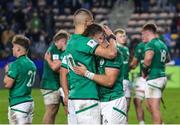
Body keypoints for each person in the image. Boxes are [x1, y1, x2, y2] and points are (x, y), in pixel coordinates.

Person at [60, 8, 117, 124]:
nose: (93, 25)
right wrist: (112, 37)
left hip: (74, 97)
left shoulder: (70, 42)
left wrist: (66, 94)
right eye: (92, 22)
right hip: (86, 96)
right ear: (87, 22)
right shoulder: (84, 42)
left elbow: (63, 71)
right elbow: (111, 54)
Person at [73, 23, 127, 124]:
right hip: (100, 101)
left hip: (113, 101)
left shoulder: (115, 54)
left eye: (90, 41)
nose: (88, 44)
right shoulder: (96, 55)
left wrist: (86, 73)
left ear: (101, 38)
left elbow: (109, 81)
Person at [3, 35, 37, 124]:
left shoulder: (16, 64)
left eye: (13, 47)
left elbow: (7, 84)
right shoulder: (32, 64)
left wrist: (7, 71)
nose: (12, 49)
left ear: (18, 49)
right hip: (29, 102)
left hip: (18, 103)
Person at [142, 23, 170, 124]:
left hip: (154, 77)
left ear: (147, 33)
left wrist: (144, 71)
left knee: (154, 109)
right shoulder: (162, 44)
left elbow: (148, 59)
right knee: (149, 105)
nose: (142, 37)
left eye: (143, 34)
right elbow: (167, 59)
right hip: (162, 76)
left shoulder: (150, 44)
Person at [40, 30, 69, 124]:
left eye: (57, 42)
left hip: (61, 84)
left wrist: (61, 64)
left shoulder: (66, 50)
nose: (55, 44)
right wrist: (61, 63)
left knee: (67, 110)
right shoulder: (52, 50)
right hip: (50, 84)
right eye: (55, 42)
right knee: (51, 110)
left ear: (62, 41)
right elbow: (54, 67)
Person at [114, 28, 131, 123]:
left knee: (127, 105)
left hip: (127, 79)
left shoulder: (126, 48)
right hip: (120, 80)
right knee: (120, 106)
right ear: (115, 38)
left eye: (124, 36)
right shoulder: (115, 48)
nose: (123, 38)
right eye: (120, 36)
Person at [130, 39, 147, 125]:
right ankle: (141, 123)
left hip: (150, 78)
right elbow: (134, 64)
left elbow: (133, 64)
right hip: (142, 78)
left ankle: (160, 122)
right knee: (137, 100)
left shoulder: (154, 46)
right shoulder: (140, 46)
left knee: (150, 104)